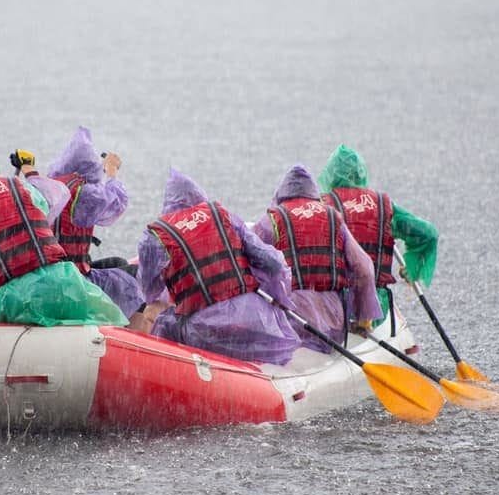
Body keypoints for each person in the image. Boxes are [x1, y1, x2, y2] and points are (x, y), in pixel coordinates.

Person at [0, 134, 128, 331]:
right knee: (111, 320)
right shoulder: (22, 186)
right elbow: (49, 202)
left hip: (13, 298)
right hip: (64, 284)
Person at [137, 168, 301, 365]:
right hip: (256, 322)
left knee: (153, 312)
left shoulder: (155, 236)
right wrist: (277, 296)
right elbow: (274, 264)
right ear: (199, 196)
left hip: (203, 331)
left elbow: (148, 290)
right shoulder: (223, 216)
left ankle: (156, 368)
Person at [252, 165, 381, 353]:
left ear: (281, 194)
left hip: (293, 318)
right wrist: (363, 318)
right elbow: (364, 268)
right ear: (313, 193)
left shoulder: (270, 221)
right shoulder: (333, 217)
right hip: (334, 318)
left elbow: (249, 262)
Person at [318, 144, 438, 333]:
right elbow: (428, 233)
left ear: (330, 175)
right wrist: (412, 267)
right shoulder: (383, 205)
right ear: (361, 173)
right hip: (375, 305)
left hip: (333, 305)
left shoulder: (321, 206)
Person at [45, 127, 146, 326]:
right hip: (73, 280)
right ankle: (133, 337)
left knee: (116, 262)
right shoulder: (83, 194)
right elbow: (116, 203)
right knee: (132, 282)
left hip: (49, 274)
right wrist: (112, 172)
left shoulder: (49, 187)